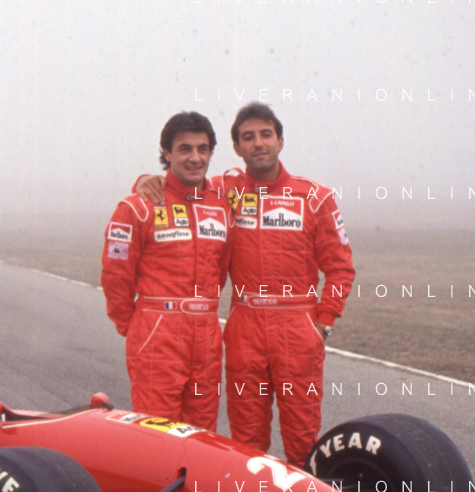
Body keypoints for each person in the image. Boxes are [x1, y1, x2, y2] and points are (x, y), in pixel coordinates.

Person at [134, 103, 354, 465]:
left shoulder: (316, 197)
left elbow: (341, 268)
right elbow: (180, 184)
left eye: (266, 135)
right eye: (248, 137)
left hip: (298, 328)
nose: (258, 143)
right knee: (247, 441)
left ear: (280, 141)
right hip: (245, 328)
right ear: (237, 148)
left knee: (302, 437)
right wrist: (146, 179)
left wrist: (324, 322)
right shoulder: (225, 190)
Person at [101, 112, 233, 431]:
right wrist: (135, 325)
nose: (195, 157)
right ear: (167, 153)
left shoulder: (222, 204)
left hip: (206, 331)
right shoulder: (137, 206)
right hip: (157, 331)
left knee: (202, 431)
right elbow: (115, 276)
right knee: (157, 431)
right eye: (185, 149)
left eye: (203, 149)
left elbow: (221, 268)